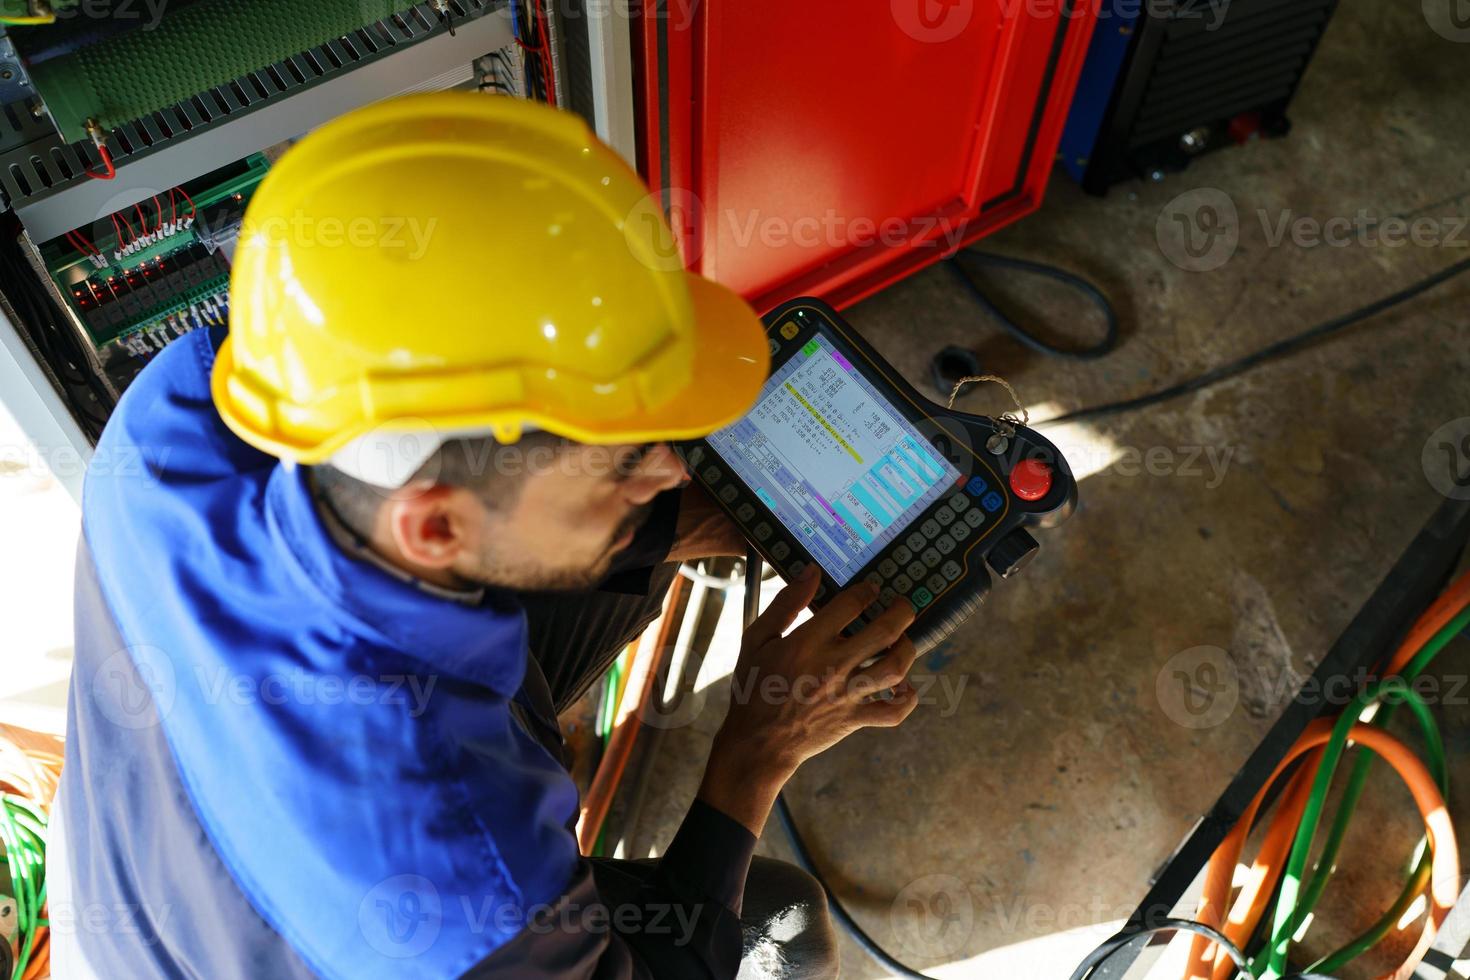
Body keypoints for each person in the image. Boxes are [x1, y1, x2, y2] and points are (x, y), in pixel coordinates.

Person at [51, 92, 921, 979]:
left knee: (652, 553)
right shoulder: (465, 883)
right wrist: (755, 752)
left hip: (167, 836)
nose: (673, 470)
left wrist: (662, 524)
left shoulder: (178, 405)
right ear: (433, 526)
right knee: (781, 922)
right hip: (284, 935)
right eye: (626, 465)